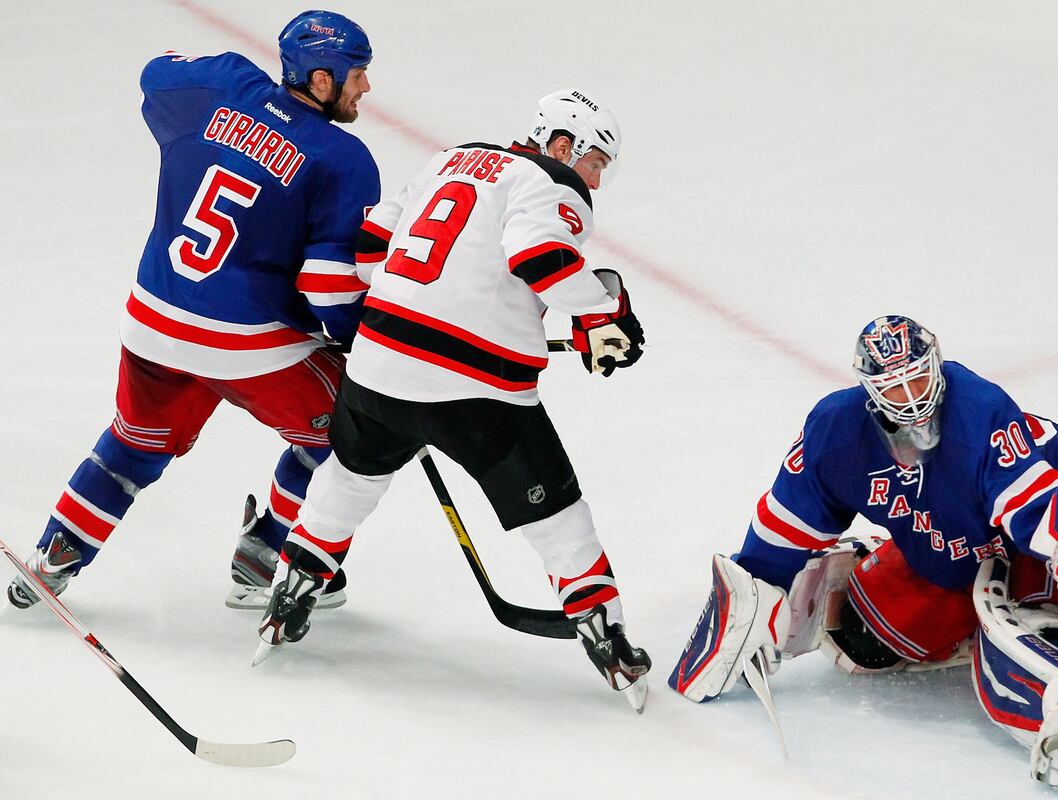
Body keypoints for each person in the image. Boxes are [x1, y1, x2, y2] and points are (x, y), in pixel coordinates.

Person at [252, 89, 652, 710]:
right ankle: (606, 635)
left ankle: (292, 589)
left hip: (377, 367)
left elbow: (367, 249)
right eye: (597, 161)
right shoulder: (552, 183)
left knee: (351, 477)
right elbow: (539, 258)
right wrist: (603, 312)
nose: (597, 179)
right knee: (559, 517)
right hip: (477, 393)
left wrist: (418, 314)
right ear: (563, 145)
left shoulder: (449, 158)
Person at [669, 315, 1058, 788]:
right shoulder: (835, 432)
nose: (911, 399)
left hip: (1022, 541)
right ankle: (912, 585)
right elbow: (786, 523)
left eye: (918, 379)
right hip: (942, 546)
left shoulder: (980, 411)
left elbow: (1032, 508)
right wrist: (756, 586)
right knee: (861, 637)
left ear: (936, 365)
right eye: (894, 387)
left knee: (1044, 630)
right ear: (870, 390)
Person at [6, 11, 380, 614]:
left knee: (134, 445)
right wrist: (358, 339)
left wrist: (242, 96)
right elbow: (329, 286)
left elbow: (156, 73)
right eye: (356, 74)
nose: (365, 89)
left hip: (153, 318)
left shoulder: (223, 85)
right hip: (247, 341)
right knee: (354, 437)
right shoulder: (343, 158)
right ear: (318, 78)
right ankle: (266, 555)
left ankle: (55, 553)